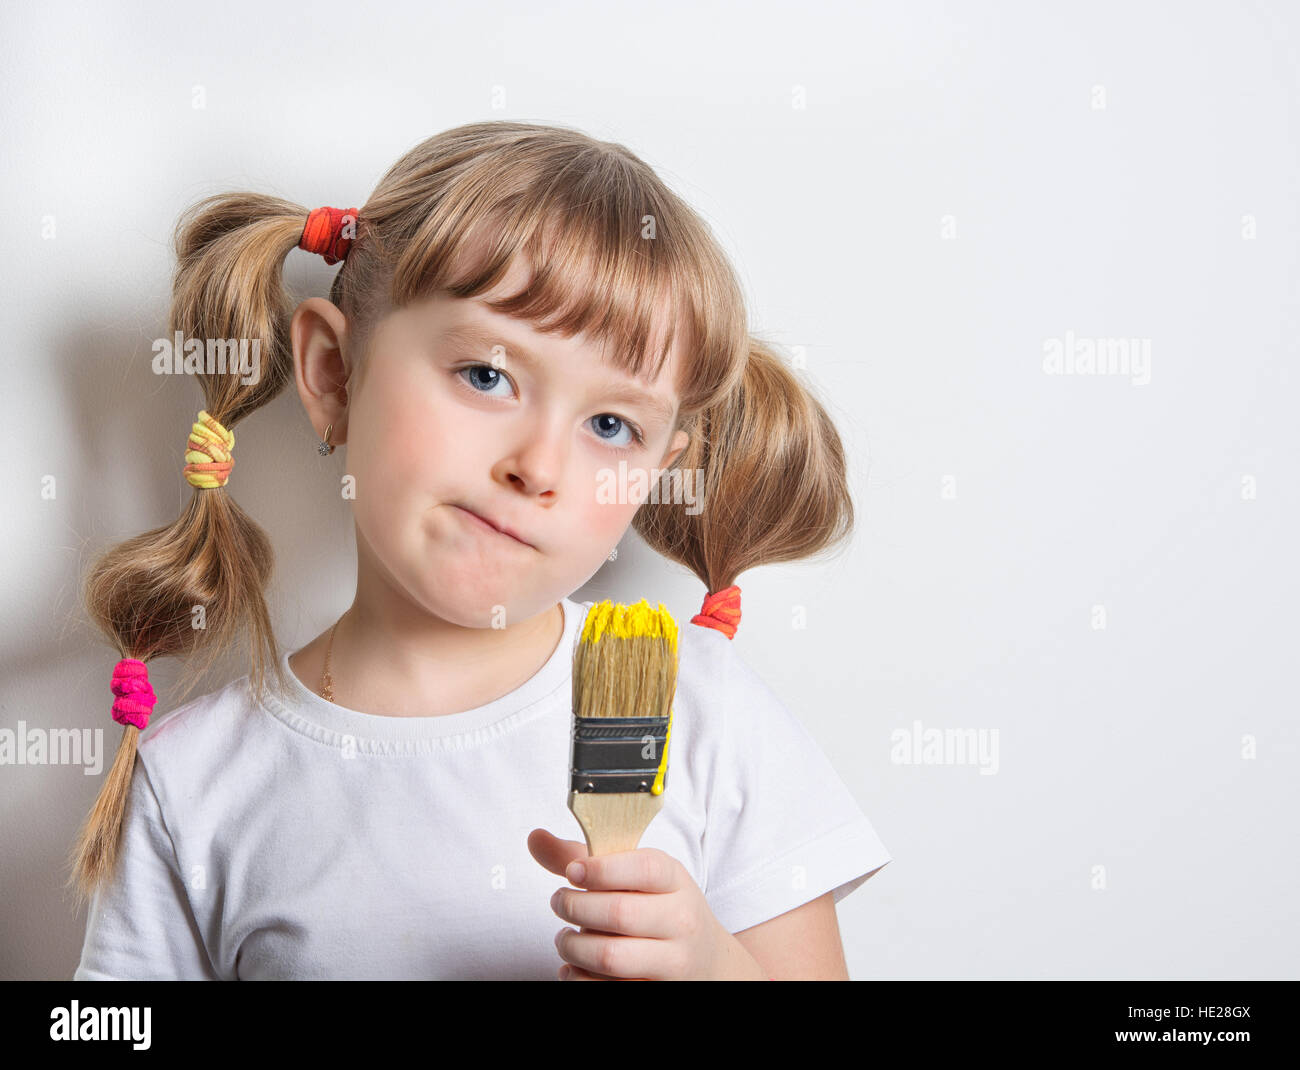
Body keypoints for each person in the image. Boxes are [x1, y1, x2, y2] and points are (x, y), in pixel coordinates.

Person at [69, 122, 891, 980]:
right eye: (487, 376)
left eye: (610, 425)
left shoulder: (707, 717)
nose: (537, 467)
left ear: (654, 475)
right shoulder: (193, 783)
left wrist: (718, 971)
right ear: (334, 373)